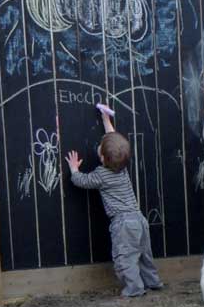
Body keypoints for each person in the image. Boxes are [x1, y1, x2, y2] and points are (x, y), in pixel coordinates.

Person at [65, 104, 163, 297]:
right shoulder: (122, 167)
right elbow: (113, 141)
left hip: (123, 224)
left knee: (125, 258)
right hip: (139, 220)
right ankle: (153, 282)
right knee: (144, 255)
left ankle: (134, 289)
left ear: (102, 158)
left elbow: (82, 181)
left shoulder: (101, 174)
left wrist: (74, 169)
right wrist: (106, 120)